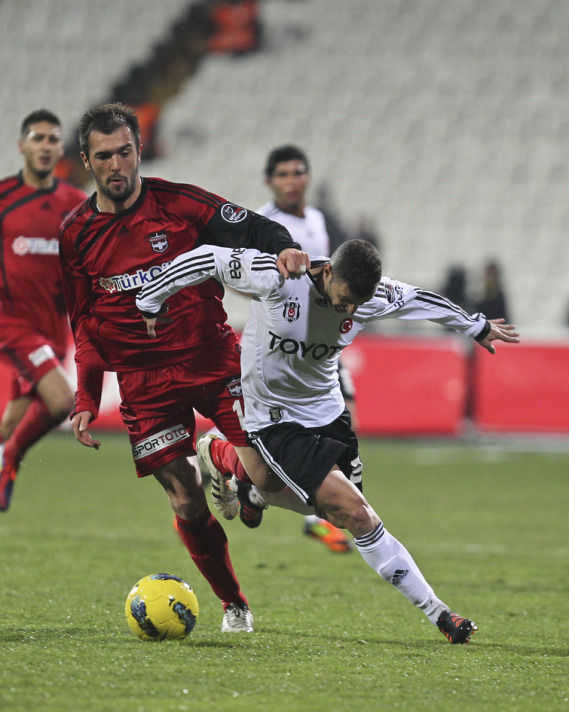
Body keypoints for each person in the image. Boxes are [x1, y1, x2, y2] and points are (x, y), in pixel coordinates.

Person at [135, 239, 519, 643]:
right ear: (329, 273)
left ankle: (231, 465)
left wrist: (476, 326)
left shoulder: (370, 297)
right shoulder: (278, 276)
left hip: (328, 415)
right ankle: (441, 615)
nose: (350, 310)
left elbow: (421, 300)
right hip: (273, 417)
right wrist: (150, 298)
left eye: (359, 304)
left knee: (331, 510)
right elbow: (208, 258)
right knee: (355, 512)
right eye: (346, 299)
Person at [58, 102, 309, 633]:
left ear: (139, 150)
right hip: (142, 382)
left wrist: (285, 248)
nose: (117, 165)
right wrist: (85, 396)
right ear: (87, 160)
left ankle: (220, 452)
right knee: (184, 494)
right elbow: (85, 322)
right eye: (104, 156)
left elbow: (253, 225)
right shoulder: (76, 235)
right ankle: (233, 604)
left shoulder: (179, 203)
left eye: (125, 152)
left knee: (267, 476)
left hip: (210, 358)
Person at [256, 144, 354, 552]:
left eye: (298, 172)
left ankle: (318, 515)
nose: (292, 181)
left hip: (322, 341)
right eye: (283, 174)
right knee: (263, 427)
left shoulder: (315, 219)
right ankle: (212, 468)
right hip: (282, 341)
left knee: (342, 418)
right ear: (270, 181)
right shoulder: (265, 222)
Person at [0, 110, 87, 511]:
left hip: (53, 327)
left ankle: (5, 458)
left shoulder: (75, 204)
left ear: (61, 148)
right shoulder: (4, 199)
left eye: (53, 139)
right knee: (60, 400)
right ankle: (9, 465)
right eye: (38, 138)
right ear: (22, 146)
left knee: (9, 424)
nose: (46, 146)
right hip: (11, 322)